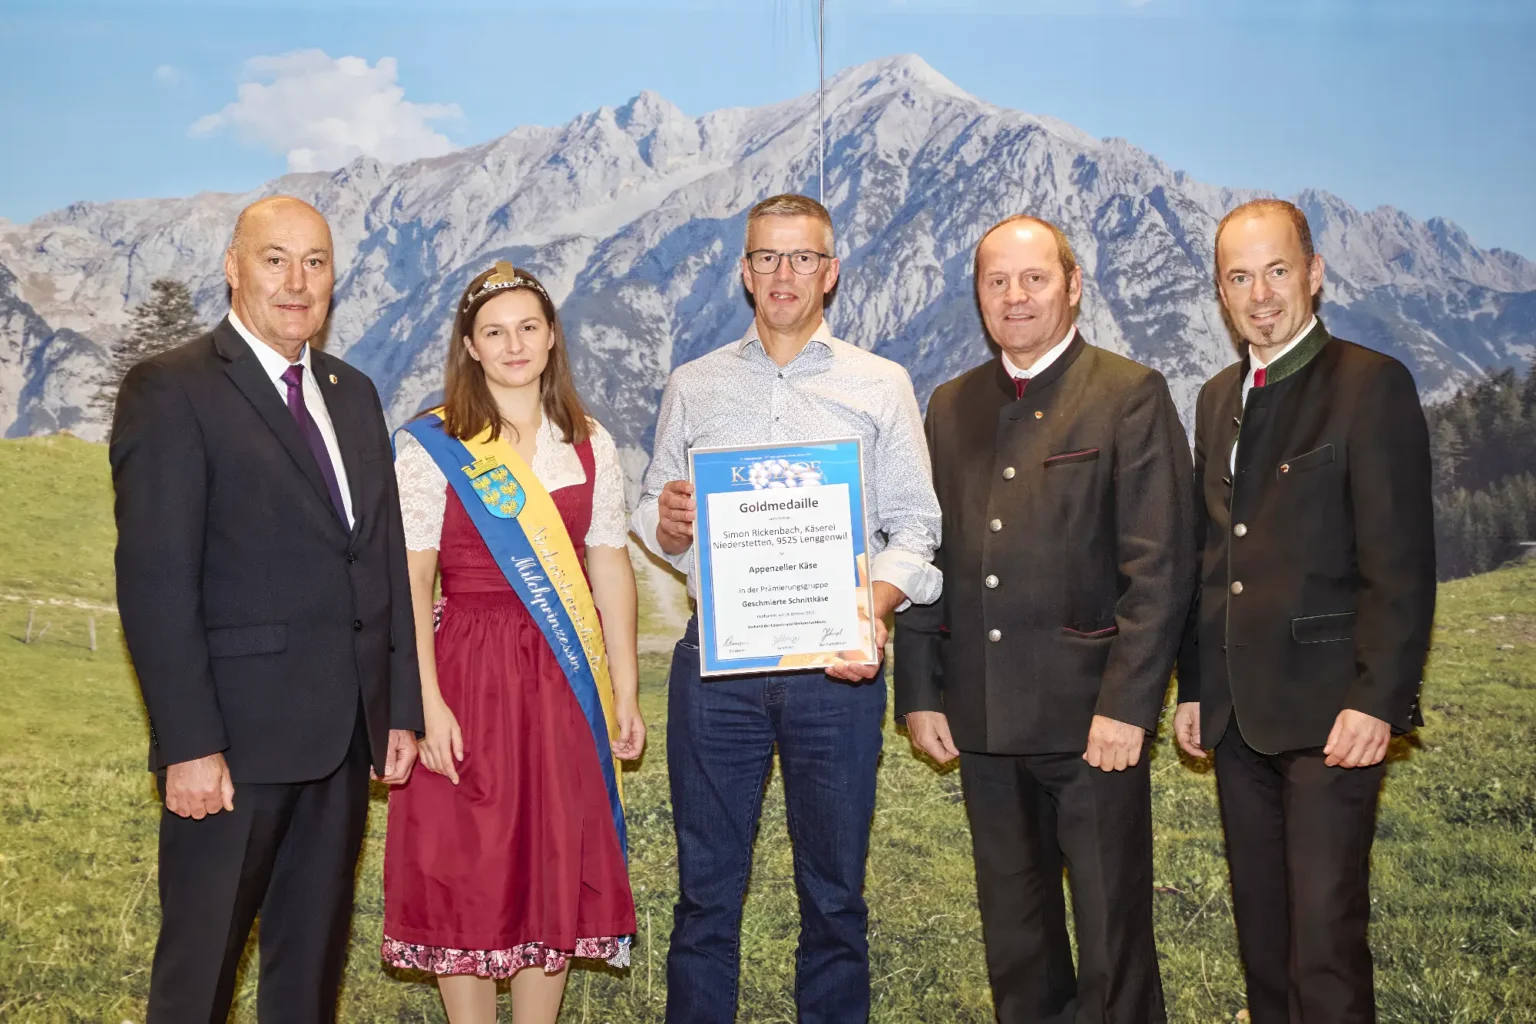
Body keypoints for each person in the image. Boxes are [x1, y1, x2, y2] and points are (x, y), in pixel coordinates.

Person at [110, 195, 423, 1022]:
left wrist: (396, 706)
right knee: (198, 978)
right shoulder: (170, 389)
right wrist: (189, 743)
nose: (296, 281)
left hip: (341, 742)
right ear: (233, 267)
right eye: (275, 258)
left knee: (308, 979)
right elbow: (154, 581)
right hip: (232, 750)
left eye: (315, 262)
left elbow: (379, 555)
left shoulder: (352, 393)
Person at [632, 193, 942, 1024]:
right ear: (743, 271)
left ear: (830, 272)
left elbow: (918, 527)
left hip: (834, 674)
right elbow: (654, 510)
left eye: (802, 257)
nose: (783, 274)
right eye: (766, 257)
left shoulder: (881, 384)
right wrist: (664, 520)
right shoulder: (694, 384)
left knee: (836, 900)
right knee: (705, 900)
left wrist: (870, 605)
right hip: (718, 669)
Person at [894, 215, 1193, 1024]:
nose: (1015, 296)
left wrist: (1128, 709)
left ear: (1073, 285)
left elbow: (1159, 569)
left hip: (1091, 724)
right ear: (979, 296)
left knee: (1112, 943)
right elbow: (928, 556)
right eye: (997, 281)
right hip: (982, 718)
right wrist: (920, 690)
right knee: (1016, 944)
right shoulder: (950, 405)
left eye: (1034, 279)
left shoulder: (1129, 393)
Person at [1174, 199, 1435, 1024]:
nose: (1260, 295)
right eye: (1239, 278)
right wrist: (1194, 685)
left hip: (1334, 714)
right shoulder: (1217, 398)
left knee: (1324, 943)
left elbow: (1401, 563)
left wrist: (1377, 699)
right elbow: (1212, 560)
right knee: (1263, 939)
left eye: (1276, 271)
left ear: (1315, 274)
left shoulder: (1371, 384)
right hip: (1237, 718)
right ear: (1221, 292)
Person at [380, 262, 643, 1024]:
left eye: (529, 327)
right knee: (468, 860)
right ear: (470, 347)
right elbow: (410, 581)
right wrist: (424, 702)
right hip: (465, 670)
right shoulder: (435, 446)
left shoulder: (589, 445)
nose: (514, 344)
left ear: (553, 336)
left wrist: (623, 689)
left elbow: (611, 568)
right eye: (494, 332)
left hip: (563, 678)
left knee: (548, 857)